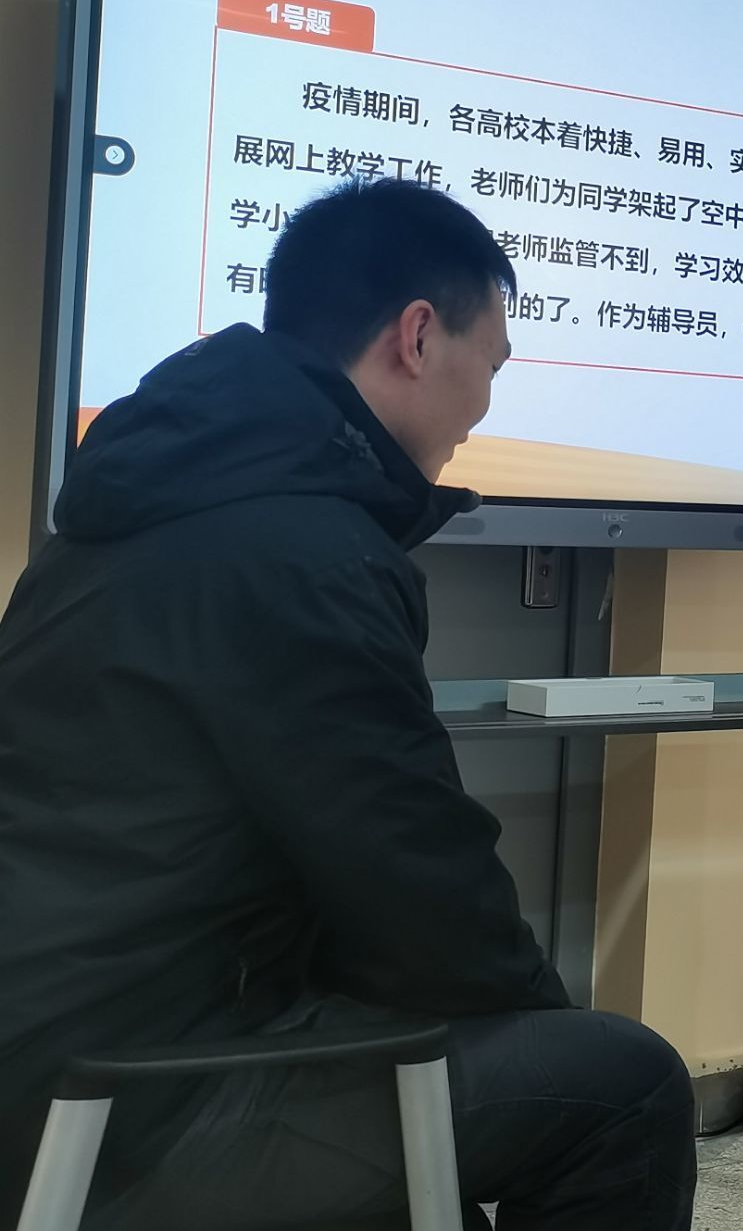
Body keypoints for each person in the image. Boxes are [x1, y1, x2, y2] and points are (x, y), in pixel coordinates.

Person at [0, 181, 696, 1230]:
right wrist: (544, 1027)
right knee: (621, 1084)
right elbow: (415, 876)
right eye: (492, 364)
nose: (485, 408)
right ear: (417, 337)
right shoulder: (308, 554)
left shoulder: (137, 507)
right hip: (130, 1109)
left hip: (48, 1050)